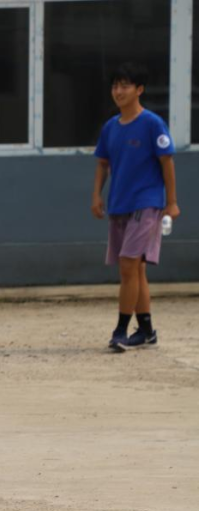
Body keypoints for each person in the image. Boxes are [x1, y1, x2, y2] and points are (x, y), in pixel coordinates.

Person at [91, 62, 180, 352]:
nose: (118, 91)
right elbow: (102, 163)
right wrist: (96, 195)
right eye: (115, 85)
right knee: (136, 269)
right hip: (120, 204)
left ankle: (120, 331)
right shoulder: (110, 127)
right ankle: (146, 330)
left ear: (139, 89)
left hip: (147, 203)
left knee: (129, 265)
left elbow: (167, 162)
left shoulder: (153, 123)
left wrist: (171, 202)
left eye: (125, 85)